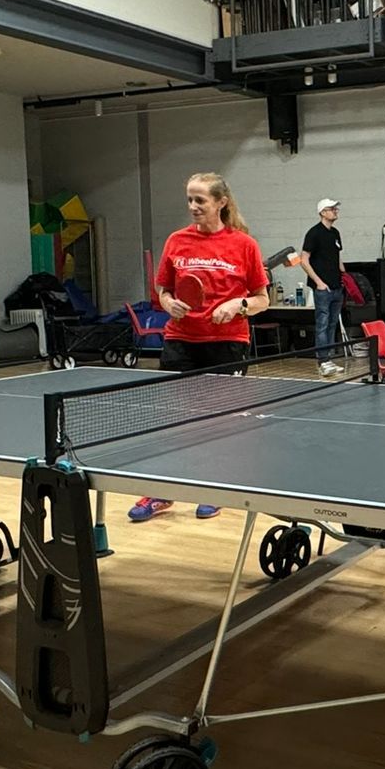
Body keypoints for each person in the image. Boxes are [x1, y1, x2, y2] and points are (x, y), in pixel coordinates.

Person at [129, 172, 271, 524]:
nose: (193, 207)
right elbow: (162, 290)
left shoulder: (244, 245)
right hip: (181, 340)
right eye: (189, 200)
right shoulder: (177, 241)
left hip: (227, 342)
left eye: (200, 200)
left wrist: (237, 305)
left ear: (220, 202)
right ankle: (162, 491)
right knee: (171, 418)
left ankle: (214, 488)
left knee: (221, 420)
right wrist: (168, 303)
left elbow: (262, 299)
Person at [299, 198, 346, 375]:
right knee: (323, 323)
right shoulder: (314, 233)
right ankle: (323, 360)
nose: (335, 211)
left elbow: (337, 256)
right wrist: (319, 282)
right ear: (322, 212)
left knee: (332, 323)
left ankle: (330, 359)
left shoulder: (335, 233)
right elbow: (304, 260)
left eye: (335, 209)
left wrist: (344, 274)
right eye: (331, 209)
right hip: (323, 288)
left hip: (336, 286)